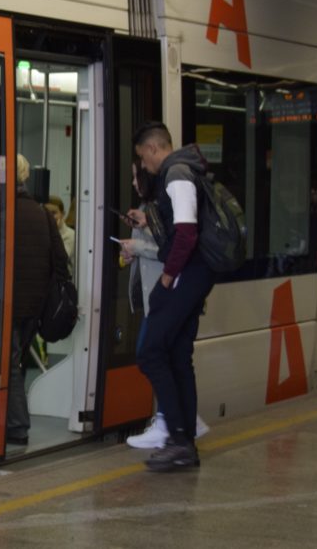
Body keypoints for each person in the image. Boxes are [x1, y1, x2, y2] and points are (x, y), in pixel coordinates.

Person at [130, 121, 216, 471]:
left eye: (142, 158)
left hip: (186, 274)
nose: (144, 165)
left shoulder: (176, 173)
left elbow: (186, 233)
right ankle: (183, 443)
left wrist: (167, 276)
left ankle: (177, 435)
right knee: (178, 354)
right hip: (195, 273)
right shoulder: (185, 169)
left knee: (150, 352)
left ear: (153, 149)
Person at [119, 163, 209, 449]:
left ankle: (171, 425)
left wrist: (137, 247)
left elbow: (175, 249)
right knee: (174, 357)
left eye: (137, 176)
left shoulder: (168, 202)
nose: (134, 182)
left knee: (152, 354)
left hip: (168, 294)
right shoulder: (150, 207)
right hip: (163, 295)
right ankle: (183, 426)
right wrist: (133, 249)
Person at [6, 154, 70, 446]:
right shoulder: (42, 213)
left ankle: (17, 426)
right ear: (26, 177)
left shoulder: (0, 208)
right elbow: (60, 261)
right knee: (17, 361)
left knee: (8, 362)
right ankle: (12, 421)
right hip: (35, 306)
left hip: (9, 302)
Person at [44, 195, 75, 275]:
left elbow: (59, 260)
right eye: (46, 213)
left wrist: (54, 231)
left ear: (62, 214)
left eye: (53, 213)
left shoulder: (70, 235)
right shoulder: (43, 232)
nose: (50, 216)